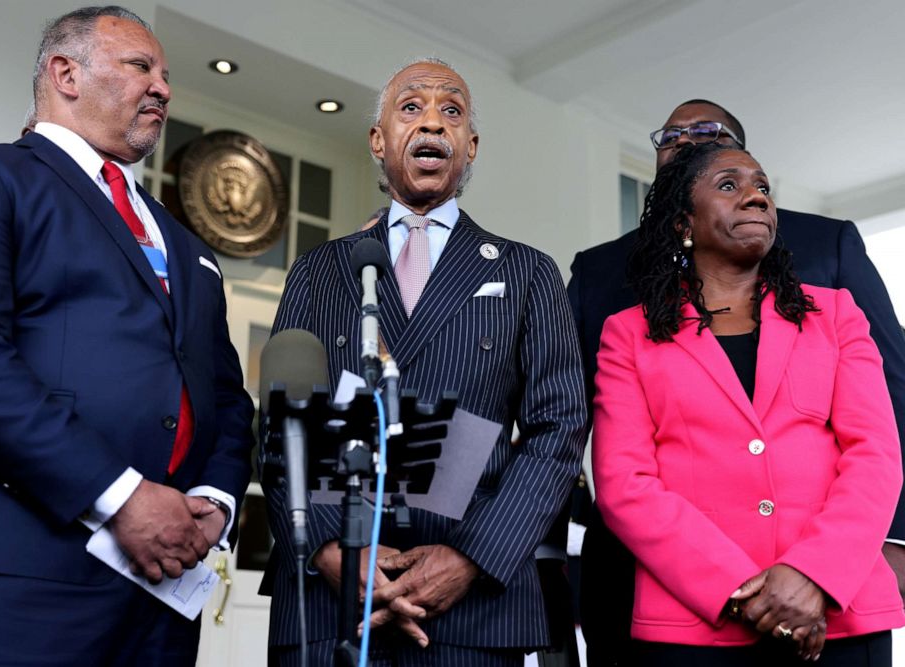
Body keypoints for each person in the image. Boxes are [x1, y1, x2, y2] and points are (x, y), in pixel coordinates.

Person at [0, 6, 254, 666]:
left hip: (159, 608)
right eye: (140, 66)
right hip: (12, 591)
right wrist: (119, 493)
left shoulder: (186, 245)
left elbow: (228, 399)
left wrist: (215, 500)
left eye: (164, 73)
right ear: (66, 73)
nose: (163, 87)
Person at [264, 58, 587, 665]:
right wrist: (332, 548)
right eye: (411, 108)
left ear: (471, 145)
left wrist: (471, 557)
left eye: (452, 111)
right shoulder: (318, 270)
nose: (433, 123)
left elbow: (559, 428)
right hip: (325, 598)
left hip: (473, 606)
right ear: (377, 139)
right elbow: (282, 423)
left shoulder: (527, 272)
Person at [569, 99, 905, 666]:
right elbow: (621, 477)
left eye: (763, 187)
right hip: (693, 617)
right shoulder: (625, 331)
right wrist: (739, 590)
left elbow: (877, 449)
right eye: (730, 184)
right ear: (683, 220)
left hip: (835, 609)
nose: (755, 196)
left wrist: (818, 573)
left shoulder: (837, 311)